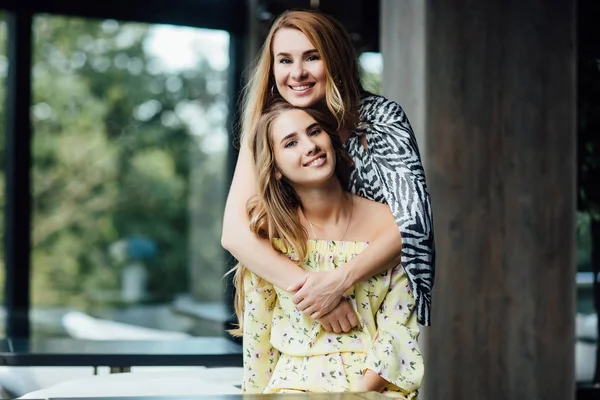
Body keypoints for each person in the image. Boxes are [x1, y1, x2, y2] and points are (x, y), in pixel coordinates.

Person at [222, 9, 435, 328]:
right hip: (295, 307)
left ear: (334, 59)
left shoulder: (381, 118)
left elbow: (413, 221)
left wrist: (338, 283)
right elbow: (235, 235)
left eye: (311, 57)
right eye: (284, 60)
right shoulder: (268, 128)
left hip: (376, 301)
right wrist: (317, 296)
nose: (297, 73)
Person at [230, 102, 423, 397]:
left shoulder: (389, 226)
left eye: (314, 131)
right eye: (291, 142)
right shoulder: (269, 240)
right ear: (276, 168)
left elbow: (399, 331)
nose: (310, 146)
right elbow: (259, 346)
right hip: (291, 389)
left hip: (372, 390)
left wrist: (356, 393)